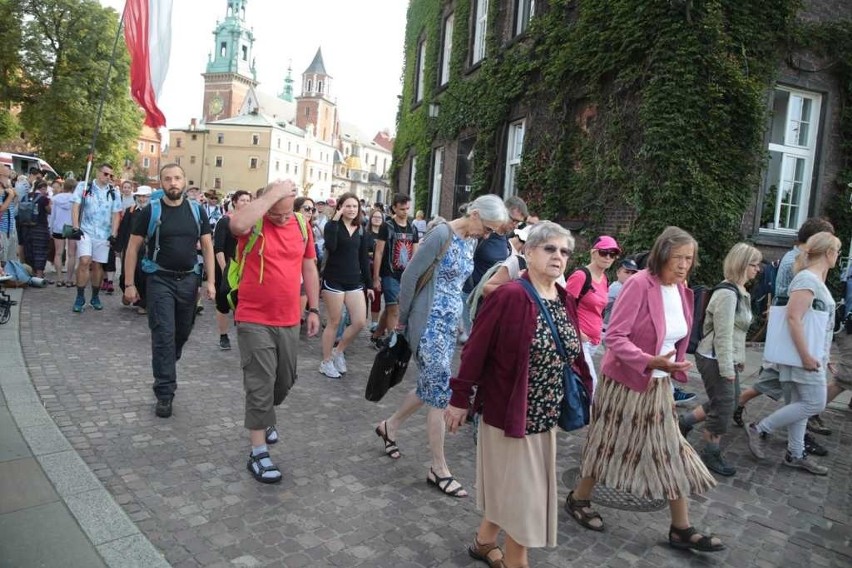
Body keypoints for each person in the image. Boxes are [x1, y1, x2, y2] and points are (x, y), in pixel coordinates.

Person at [566, 226, 723, 553]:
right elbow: (615, 337)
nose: (684, 265)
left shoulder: (681, 289)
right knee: (608, 442)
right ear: (662, 253)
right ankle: (579, 498)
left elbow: (674, 335)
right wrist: (650, 361)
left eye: (689, 259)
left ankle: (681, 527)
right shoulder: (639, 284)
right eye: (678, 257)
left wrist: (671, 365)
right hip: (624, 382)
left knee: (670, 450)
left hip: (659, 386)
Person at [445, 222, 592, 568]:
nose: (558, 256)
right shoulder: (510, 296)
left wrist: (588, 393)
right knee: (522, 502)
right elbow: (475, 351)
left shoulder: (564, 298)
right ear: (528, 252)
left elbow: (574, 354)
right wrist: (459, 399)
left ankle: (483, 542)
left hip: (545, 418)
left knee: (514, 492)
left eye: (565, 251)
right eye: (550, 249)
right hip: (509, 414)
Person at [373, 195, 508, 499]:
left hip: (447, 326)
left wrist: (461, 319)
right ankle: (439, 467)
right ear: (473, 214)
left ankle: (389, 426)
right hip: (426, 322)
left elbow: (459, 285)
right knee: (441, 392)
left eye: (491, 232)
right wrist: (403, 321)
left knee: (430, 386)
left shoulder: (471, 240)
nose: (486, 235)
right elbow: (409, 277)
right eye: (486, 228)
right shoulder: (441, 234)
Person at [228, 179, 320, 484]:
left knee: (285, 380)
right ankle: (258, 452)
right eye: (276, 213)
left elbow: (309, 267)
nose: (282, 219)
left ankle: (265, 415)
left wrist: (314, 309)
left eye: (286, 213)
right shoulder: (253, 223)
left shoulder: (302, 225)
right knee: (260, 383)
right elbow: (236, 225)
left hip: (289, 318)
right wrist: (272, 195)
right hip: (253, 317)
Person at [123, 163, 216, 418]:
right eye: (167, 179)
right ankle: (164, 393)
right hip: (159, 279)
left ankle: (166, 360)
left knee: (182, 333)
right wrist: (130, 284)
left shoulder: (197, 211)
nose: (173, 183)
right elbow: (132, 248)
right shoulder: (150, 211)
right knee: (163, 333)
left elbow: (207, 247)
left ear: (185, 181)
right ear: (161, 183)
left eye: (177, 178)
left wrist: (211, 282)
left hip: (189, 281)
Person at [733, 218, 835, 450]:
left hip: (802, 346)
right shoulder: (803, 272)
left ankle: (796, 450)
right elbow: (792, 312)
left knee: (791, 396)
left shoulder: (807, 270)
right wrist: (808, 354)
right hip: (798, 347)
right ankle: (756, 425)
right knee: (809, 401)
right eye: (835, 250)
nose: (838, 255)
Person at [679, 243, 762, 476]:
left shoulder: (740, 291)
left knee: (729, 400)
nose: (758, 269)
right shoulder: (727, 294)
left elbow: (738, 333)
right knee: (725, 405)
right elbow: (723, 335)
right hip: (715, 358)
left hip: (726, 357)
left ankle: (684, 422)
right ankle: (710, 451)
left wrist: (740, 358)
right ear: (742, 264)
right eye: (754, 264)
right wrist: (728, 368)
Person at [318, 193, 373, 378]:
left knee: (359, 321)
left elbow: (364, 258)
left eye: (354, 207)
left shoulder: (361, 229)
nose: (351, 210)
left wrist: (370, 284)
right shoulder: (332, 226)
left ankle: (338, 351)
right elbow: (331, 246)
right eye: (347, 206)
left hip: (354, 281)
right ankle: (326, 362)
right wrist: (335, 219)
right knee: (334, 321)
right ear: (340, 207)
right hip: (333, 279)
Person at [566, 235, 620, 392]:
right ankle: (588, 415)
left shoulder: (604, 278)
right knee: (592, 385)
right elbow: (564, 306)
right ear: (593, 253)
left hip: (594, 341)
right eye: (604, 252)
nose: (608, 257)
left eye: (613, 254)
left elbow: (598, 309)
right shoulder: (581, 275)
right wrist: (578, 332)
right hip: (579, 341)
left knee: (577, 385)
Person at [70, 163, 122, 312]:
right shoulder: (85, 186)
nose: (108, 178)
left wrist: (114, 234)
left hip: (103, 233)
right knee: (85, 260)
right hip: (85, 230)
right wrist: (75, 227)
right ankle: (80, 296)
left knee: (98, 265)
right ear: (98, 173)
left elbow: (116, 214)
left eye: (111, 175)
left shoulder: (114, 192)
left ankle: (95, 296)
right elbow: (76, 206)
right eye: (106, 174)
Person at [370, 193, 419, 346]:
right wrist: (376, 276)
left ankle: (377, 335)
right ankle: (392, 345)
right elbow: (379, 252)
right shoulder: (387, 226)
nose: (406, 212)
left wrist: (416, 275)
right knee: (394, 309)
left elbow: (416, 254)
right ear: (394, 208)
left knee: (391, 308)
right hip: (389, 273)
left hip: (406, 275)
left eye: (408, 209)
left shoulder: (413, 228)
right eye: (402, 209)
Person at [213, 190, 252, 349]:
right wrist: (224, 271)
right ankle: (223, 336)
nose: (246, 203)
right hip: (228, 266)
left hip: (246, 267)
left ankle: (246, 334)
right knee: (223, 302)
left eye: (248, 200)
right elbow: (219, 248)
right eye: (242, 200)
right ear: (235, 202)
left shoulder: (252, 222)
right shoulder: (225, 221)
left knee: (243, 301)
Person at [116, 185, 152, 314]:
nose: (142, 199)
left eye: (145, 196)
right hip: (131, 249)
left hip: (147, 251)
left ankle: (143, 303)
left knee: (145, 276)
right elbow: (123, 230)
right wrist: (119, 247)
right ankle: (130, 293)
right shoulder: (130, 211)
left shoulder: (154, 212)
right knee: (127, 273)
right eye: (140, 196)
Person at [294, 196, 320, 318]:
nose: (310, 211)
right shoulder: (291, 226)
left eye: (313, 209)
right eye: (307, 208)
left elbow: (311, 258)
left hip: (302, 275)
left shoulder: (308, 227)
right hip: (287, 276)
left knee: (297, 317)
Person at [22, 180, 52, 280]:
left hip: (26, 227)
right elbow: (49, 211)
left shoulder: (26, 196)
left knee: (29, 250)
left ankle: (31, 273)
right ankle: (39, 275)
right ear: (43, 188)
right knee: (40, 250)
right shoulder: (44, 199)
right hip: (40, 227)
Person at [602, 257, 639, 329]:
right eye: (627, 272)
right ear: (618, 273)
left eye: (633, 273)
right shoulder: (616, 288)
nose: (630, 276)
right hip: (609, 331)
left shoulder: (628, 288)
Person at [365, 208, 385, 331]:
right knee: (364, 294)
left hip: (379, 268)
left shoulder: (384, 235)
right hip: (367, 268)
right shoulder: (366, 234)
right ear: (371, 219)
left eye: (379, 218)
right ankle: (359, 318)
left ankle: (374, 323)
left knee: (377, 295)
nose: (377, 219)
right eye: (375, 217)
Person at [0, 166, 18, 275]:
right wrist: (10, 196)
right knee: (2, 260)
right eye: (7, 176)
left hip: (10, 228)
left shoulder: (6, 188)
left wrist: (12, 192)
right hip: (2, 229)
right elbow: (1, 209)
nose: (8, 179)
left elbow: (17, 196)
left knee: (9, 260)